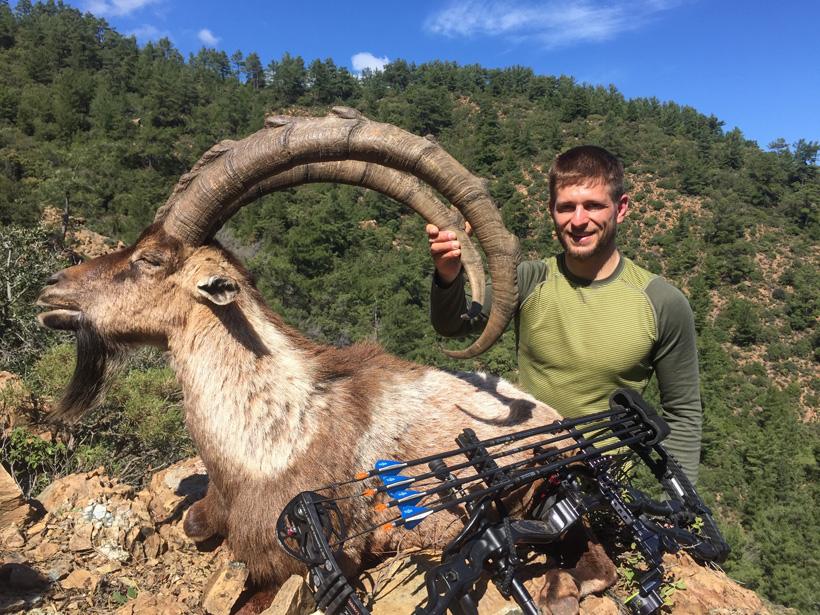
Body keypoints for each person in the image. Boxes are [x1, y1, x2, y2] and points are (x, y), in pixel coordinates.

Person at [428, 145, 703, 483]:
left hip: (606, 488)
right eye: (566, 207)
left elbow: (683, 414)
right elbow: (454, 326)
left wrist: (682, 511)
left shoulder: (662, 302)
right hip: (526, 473)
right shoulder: (528, 278)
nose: (578, 220)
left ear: (622, 208)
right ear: (551, 210)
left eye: (594, 206)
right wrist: (448, 274)